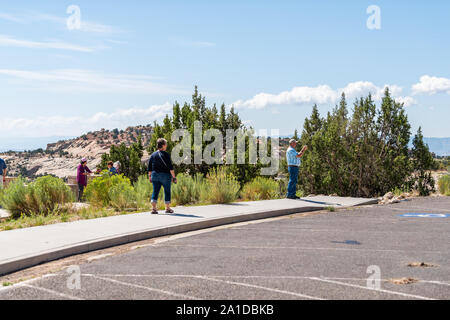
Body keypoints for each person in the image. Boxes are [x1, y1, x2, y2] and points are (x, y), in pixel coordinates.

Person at [148, 138, 177, 214]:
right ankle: (167, 208)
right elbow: (170, 167)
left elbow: (149, 167)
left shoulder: (153, 155)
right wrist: (174, 177)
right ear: (163, 145)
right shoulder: (166, 154)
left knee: (155, 191)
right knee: (167, 191)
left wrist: (150, 176)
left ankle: (154, 209)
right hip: (165, 175)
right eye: (166, 144)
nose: (166, 146)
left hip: (154, 175)